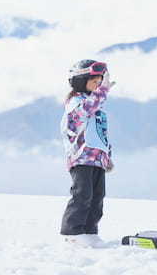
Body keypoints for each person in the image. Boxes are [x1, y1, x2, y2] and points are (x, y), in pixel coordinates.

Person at [60, 59, 115, 247]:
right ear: (80, 80)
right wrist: (103, 92)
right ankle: (73, 231)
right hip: (81, 158)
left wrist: (107, 156)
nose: (99, 84)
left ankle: (90, 231)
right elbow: (86, 110)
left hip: (97, 159)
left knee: (97, 197)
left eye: (100, 81)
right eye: (95, 81)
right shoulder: (76, 103)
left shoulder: (97, 106)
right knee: (83, 194)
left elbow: (101, 133)